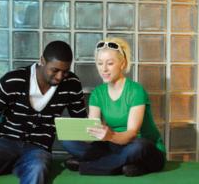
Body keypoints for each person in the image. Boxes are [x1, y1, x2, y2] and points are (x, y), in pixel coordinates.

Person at [0, 41, 87, 184]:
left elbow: (80, 122)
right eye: (55, 70)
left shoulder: (72, 84)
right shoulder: (14, 80)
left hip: (38, 149)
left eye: (66, 71)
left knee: (38, 168)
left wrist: (85, 154)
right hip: (3, 143)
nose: (60, 76)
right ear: (42, 61)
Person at [62, 38, 166, 176]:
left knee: (139, 147)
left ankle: (87, 166)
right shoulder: (98, 93)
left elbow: (131, 134)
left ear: (122, 64)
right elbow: (92, 132)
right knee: (68, 142)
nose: (103, 69)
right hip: (113, 146)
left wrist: (110, 136)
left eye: (110, 63)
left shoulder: (136, 91)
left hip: (142, 147)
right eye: (100, 63)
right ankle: (126, 165)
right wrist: (81, 132)